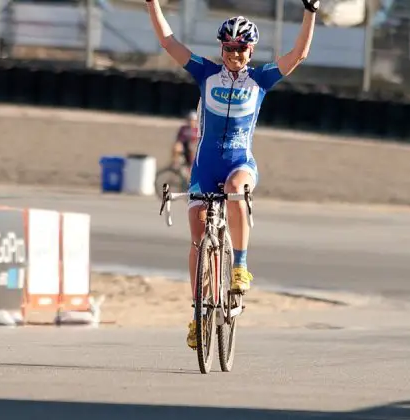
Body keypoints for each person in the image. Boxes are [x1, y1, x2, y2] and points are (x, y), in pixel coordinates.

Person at [144, 0, 319, 349]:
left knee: (237, 188)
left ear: (250, 50)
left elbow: (298, 54)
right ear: (221, 47)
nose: (235, 54)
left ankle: (239, 265)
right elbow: (167, 40)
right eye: (229, 48)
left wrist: (310, 12)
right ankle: (198, 313)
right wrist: (153, 3)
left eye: (241, 49)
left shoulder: (261, 78)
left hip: (240, 163)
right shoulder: (205, 73)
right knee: (196, 235)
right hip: (205, 167)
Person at [171, 109, 199, 177]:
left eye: (192, 120)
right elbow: (178, 140)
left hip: (193, 150)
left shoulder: (198, 130)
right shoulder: (183, 128)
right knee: (177, 146)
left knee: (191, 146)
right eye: (189, 120)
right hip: (184, 147)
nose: (190, 122)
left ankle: (190, 167)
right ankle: (175, 164)